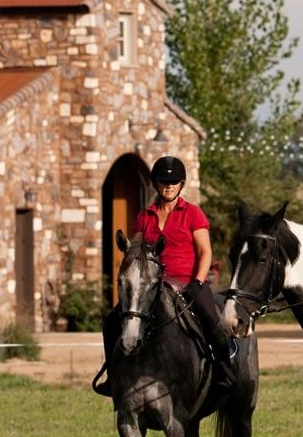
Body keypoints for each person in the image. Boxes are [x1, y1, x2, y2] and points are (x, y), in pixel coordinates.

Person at [94, 155, 235, 396]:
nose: (169, 186)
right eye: (164, 181)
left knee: (211, 318)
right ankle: (114, 375)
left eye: (174, 182)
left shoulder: (193, 214)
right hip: (153, 284)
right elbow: (136, 252)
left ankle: (224, 370)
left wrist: (198, 282)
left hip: (189, 281)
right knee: (112, 321)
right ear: (155, 184)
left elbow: (205, 252)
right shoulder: (144, 217)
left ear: (181, 185)